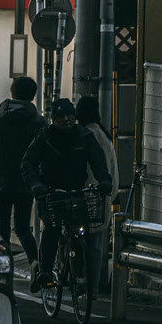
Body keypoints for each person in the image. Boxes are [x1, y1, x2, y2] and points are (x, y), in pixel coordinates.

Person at [23, 98, 112, 296]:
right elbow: (28, 165)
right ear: (53, 119)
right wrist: (36, 185)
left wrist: (104, 180)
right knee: (52, 228)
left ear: (75, 116)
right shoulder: (44, 137)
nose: (66, 120)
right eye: (61, 116)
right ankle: (45, 272)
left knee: (82, 230)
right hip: (51, 192)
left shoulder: (85, 137)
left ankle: (82, 275)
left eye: (69, 115)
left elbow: (98, 162)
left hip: (76, 192)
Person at [0, 75, 44, 277]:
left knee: (1, 229)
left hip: (2, 182)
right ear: (33, 96)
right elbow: (45, 152)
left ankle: (4, 271)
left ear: (12, 94)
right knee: (23, 228)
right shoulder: (38, 122)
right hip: (27, 183)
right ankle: (34, 262)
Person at [75, 96, 119, 291]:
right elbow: (113, 170)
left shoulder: (84, 135)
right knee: (97, 244)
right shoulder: (104, 135)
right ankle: (98, 284)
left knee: (81, 240)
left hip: (83, 193)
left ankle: (85, 282)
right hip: (103, 195)